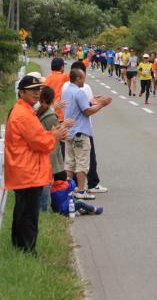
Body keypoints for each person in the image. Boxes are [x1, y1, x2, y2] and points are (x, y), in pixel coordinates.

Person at [4, 75, 69, 254]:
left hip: (24, 169)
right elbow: (39, 142)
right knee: (29, 216)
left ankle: (20, 247)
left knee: (22, 212)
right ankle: (27, 251)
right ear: (21, 92)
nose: (36, 93)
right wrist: (53, 136)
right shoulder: (24, 114)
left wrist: (50, 135)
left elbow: (37, 138)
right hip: (28, 171)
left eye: (38, 89)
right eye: (32, 90)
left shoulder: (24, 110)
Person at [62, 68, 112, 200]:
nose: (84, 80)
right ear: (78, 78)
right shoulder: (79, 92)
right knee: (82, 162)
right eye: (83, 77)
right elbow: (87, 111)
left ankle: (68, 189)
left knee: (69, 162)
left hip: (69, 132)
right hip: (80, 132)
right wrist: (102, 104)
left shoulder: (66, 91)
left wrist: (91, 101)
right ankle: (81, 190)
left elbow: (79, 106)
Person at [38, 86, 64, 213]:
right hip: (50, 151)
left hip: (44, 150)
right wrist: (65, 126)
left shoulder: (41, 111)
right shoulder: (51, 115)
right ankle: (44, 208)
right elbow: (57, 132)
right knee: (47, 181)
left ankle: (44, 207)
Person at [44, 57, 70, 123]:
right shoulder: (64, 76)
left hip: (49, 113)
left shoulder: (47, 79)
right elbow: (76, 73)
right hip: (60, 113)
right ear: (62, 67)